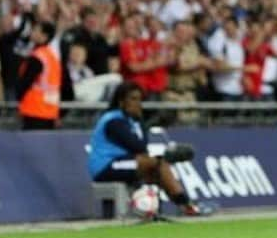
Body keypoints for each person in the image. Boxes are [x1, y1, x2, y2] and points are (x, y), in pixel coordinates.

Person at [87, 82, 214, 216]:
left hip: (122, 162)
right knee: (157, 164)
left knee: (159, 168)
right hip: (106, 165)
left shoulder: (131, 121)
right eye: (133, 99)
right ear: (121, 101)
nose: (138, 103)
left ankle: (182, 206)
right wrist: (164, 153)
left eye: (139, 99)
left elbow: (142, 147)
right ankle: (187, 206)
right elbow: (137, 147)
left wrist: (141, 122)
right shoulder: (113, 120)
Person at [17, 21, 61, 130]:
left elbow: (25, 82)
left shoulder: (37, 57)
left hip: (34, 110)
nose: (32, 32)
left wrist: (19, 98)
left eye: (36, 30)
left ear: (44, 36)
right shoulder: (53, 57)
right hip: (50, 111)